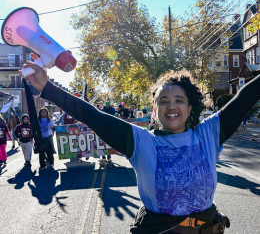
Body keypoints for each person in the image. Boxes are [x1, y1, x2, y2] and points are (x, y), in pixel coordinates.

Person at [26, 56, 260, 233]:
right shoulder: (141, 142)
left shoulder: (208, 134)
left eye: (179, 100)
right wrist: (48, 89)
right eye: (163, 101)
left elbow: (246, 96)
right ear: (155, 111)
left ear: (190, 108)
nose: (171, 106)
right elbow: (93, 116)